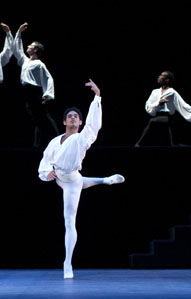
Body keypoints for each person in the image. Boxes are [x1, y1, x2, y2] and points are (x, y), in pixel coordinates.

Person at [38, 79, 125, 279]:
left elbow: (94, 126)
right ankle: (105, 180)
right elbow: (44, 161)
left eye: (76, 116)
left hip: (71, 183)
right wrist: (46, 173)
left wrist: (97, 97)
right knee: (81, 181)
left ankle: (67, 263)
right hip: (60, 177)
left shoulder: (82, 138)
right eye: (69, 116)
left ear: (80, 122)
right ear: (64, 122)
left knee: (70, 221)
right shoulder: (54, 141)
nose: (73, 118)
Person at [10, 22, 59, 148]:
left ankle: (56, 138)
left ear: (35, 50)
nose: (28, 46)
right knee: (37, 119)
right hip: (26, 92)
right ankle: (38, 143)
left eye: (31, 46)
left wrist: (47, 94)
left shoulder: (39, 64)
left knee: (43, 117)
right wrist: (18, 33)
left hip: (34, 92)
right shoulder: (25, 61)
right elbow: (16, 50)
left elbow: (49, 78)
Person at [135, 71, 191, 147]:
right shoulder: (154, 92)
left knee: (152, 121)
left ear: (167, 80)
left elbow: (183, 104)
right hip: (157, 115)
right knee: (171, 145)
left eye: (162, 75)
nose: (159, 76)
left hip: (167, 118)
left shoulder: (172, 92)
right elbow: (148, 105)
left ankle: (139, 143)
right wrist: (158, 103)